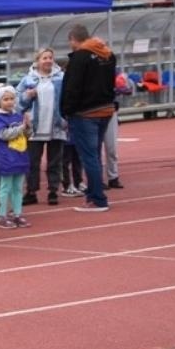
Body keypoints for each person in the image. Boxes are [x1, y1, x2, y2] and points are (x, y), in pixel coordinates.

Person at [59, 23, 117, 212]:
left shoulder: (80, 58)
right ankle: (94, 194)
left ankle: (98, 199)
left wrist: (66, 110)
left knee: (89, 156)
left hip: (85, 113)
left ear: (73, 40)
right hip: (105, 110)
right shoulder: (108, 55)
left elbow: (72, 87)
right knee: (94, 154)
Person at [15, 48, 65, 206]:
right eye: (44, 58)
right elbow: (17, 102)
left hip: (56, 125)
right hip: (34, 127)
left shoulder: (61, 78)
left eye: (50, 57)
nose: (48, 60)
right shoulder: (28, 79)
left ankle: (53, 191)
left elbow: (69, 97)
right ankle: (31, 191)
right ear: (38, 60)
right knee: (32, 161)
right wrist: (26, 96)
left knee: (54, 161)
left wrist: (66, 118)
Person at [0, 85, 30, 228]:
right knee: (5, 187)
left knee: (18, 187)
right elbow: (4, 134)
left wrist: (28, 127)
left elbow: (27, 135)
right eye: (5, 99)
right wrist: (21, 128)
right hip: (7, 157)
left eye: (12, 99)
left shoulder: (17, 115)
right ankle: (2, 215)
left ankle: (17, 214)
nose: (10, 102)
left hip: (20, 155)